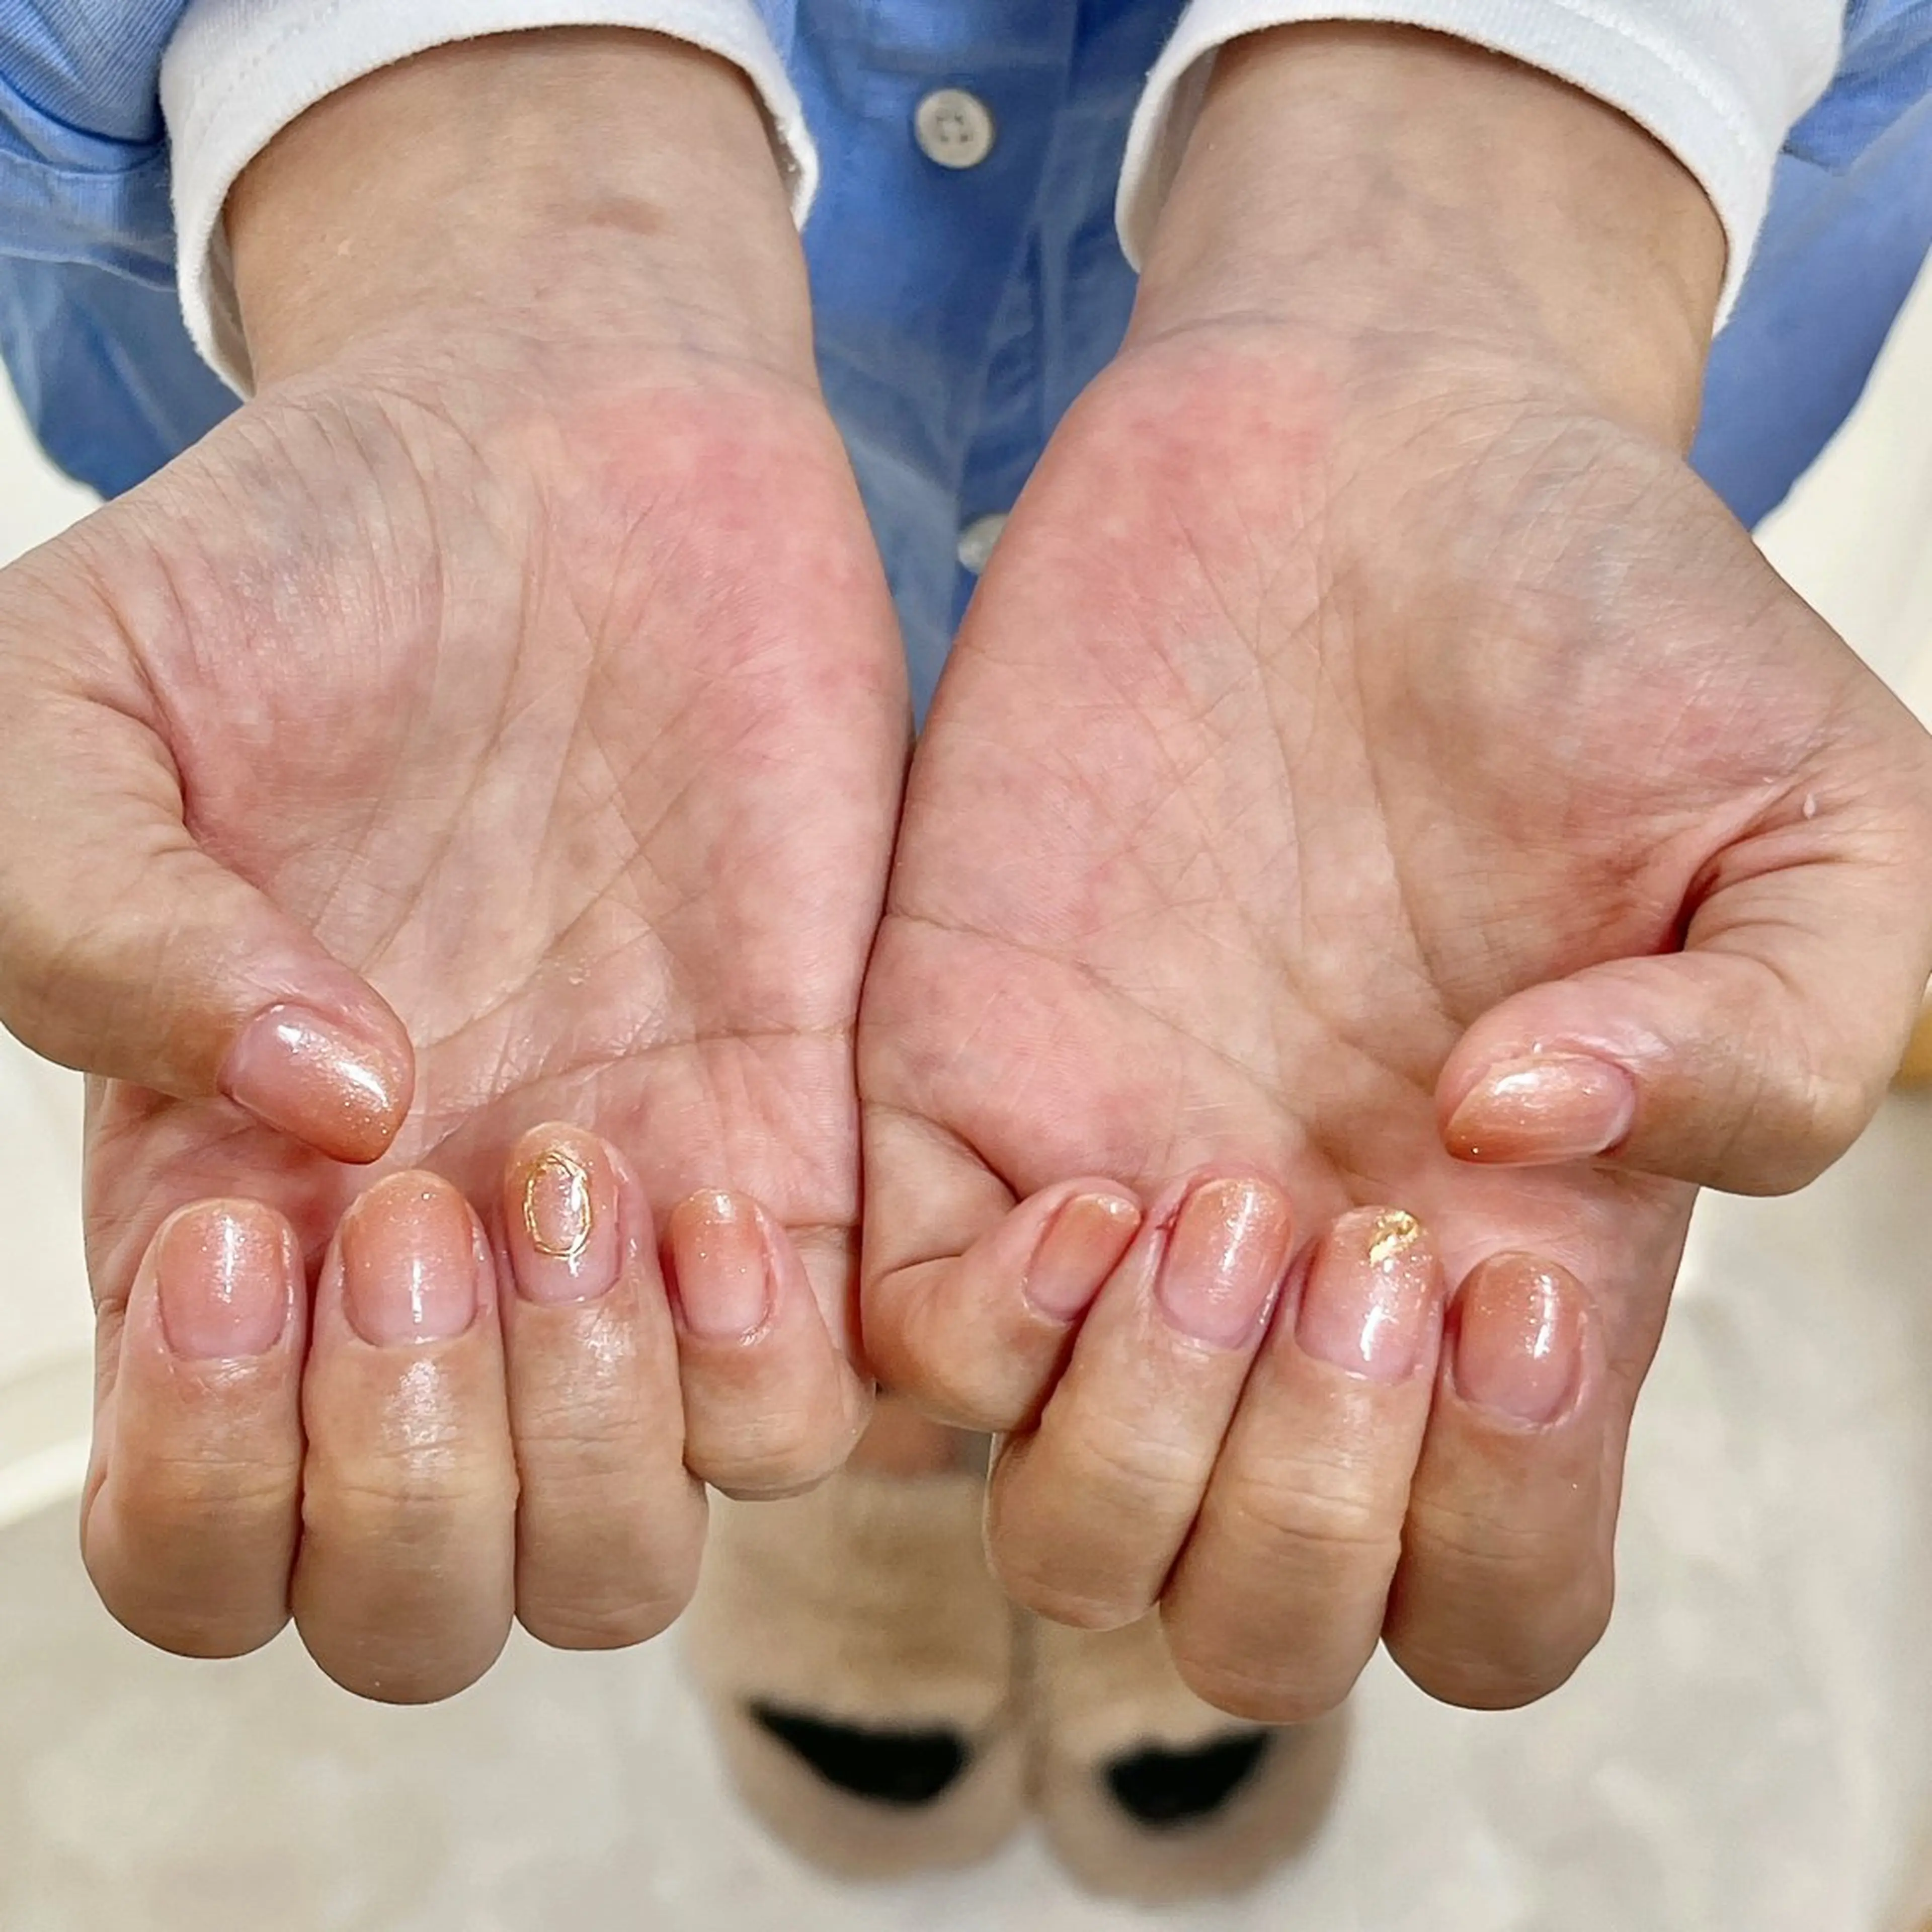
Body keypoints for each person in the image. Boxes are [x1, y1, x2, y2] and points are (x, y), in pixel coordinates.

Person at [0, 0, 1928, 1769]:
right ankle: (866, 1386)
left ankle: (1098, 1377)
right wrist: (490, 179)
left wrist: (1466, 221)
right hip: (361, 256)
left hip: (1527, 245)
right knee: (692, 1029)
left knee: (1226, 1173)